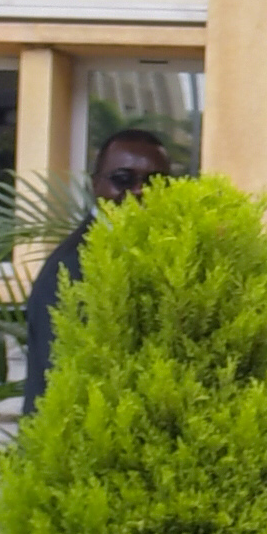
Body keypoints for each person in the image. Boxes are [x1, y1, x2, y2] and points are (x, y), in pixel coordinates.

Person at [19, 119, 175, 399]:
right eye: (123, 179)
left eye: (155, 182)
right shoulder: (71, 266)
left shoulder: (153, 252)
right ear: (95, 184)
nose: (140, 190)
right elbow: (62, 373)